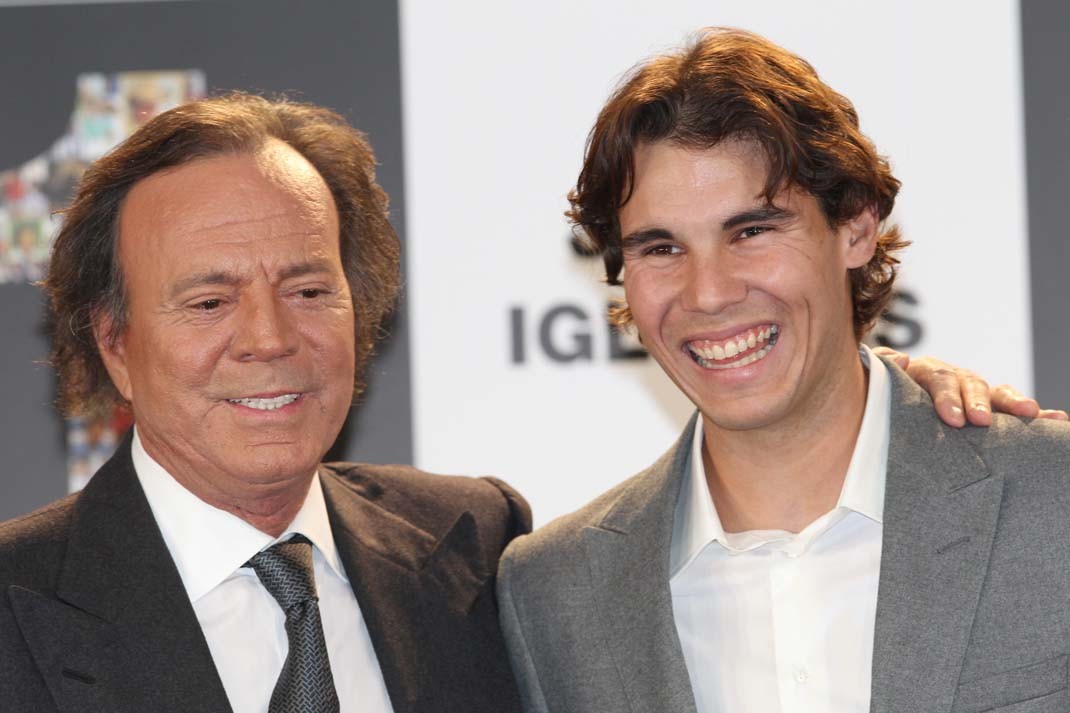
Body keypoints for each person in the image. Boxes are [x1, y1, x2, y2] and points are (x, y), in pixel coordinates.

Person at [497, 28, 1070, 713]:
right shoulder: (553, 592)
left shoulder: (1050, 494)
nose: (709, 293)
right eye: (661, 248)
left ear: (856, 228)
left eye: (752, 231)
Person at [0, 94, 529, 713]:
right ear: (115, 344)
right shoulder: (16, 605)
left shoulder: (476, 541)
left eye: (308, 291)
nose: (270, 338)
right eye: (209, 303)